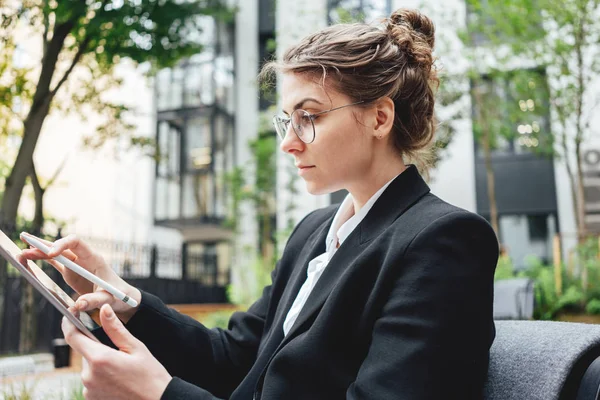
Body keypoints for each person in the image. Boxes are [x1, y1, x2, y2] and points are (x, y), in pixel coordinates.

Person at [20, 8, 499, 400]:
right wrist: (125, 300)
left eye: (308, 117)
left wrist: (160, 393)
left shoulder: (443, 241)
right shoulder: (314, 233)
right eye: (286, 120)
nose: (289, 142)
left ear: (379, 117)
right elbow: (236, 360)